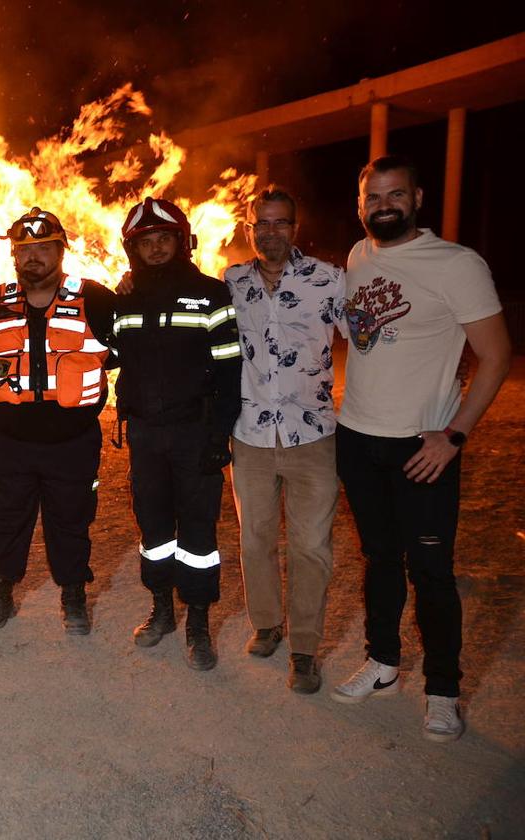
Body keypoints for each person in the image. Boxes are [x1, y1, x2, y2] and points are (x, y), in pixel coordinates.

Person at [330, 156, 510, 742]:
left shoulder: (456, 265)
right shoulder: (358, 257)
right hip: (357, 439)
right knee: (380, 561)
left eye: (395, 194)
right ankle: (383, 664)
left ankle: (442, 691)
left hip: (422, 448)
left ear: (417, 198)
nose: (384, 205)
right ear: (361, 206)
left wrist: (454, 434)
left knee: (432, 572)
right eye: (373, 197)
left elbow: (497, 356)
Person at [110, 197, 242, 670]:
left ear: (181, 241)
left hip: (195, 433)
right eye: (146, 241)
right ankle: (162, 609)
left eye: (164, 238)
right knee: (154, 528)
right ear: (133, 249)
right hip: (146, 435)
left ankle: (199, 624)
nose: (157, 247)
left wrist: (219, 435)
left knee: (199, 532)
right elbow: (109, 355)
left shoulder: (211, 294)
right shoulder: (123, 300)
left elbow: (230, 369)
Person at [0, 208, 116, 635]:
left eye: (43, 249)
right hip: (10, 439)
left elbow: (129, 347)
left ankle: (73, 596)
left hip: (72, 440)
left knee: (71, 521)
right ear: (14, 256)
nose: (33, 257)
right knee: (7, 519)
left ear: (61, 251)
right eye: (24, 250)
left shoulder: (96, 297)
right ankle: (1, 593)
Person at [224, 188, 345, 693]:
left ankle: (305, 649)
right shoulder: (231, 283)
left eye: (281, 223)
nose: (271, 232)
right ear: (249, 229)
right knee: (254, 539)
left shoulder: (329, 279)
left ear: (295, 227)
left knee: (311, 545)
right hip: (249, 434)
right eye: (262, 224)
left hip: (312, 435)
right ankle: (268, 625)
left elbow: (364, 342)